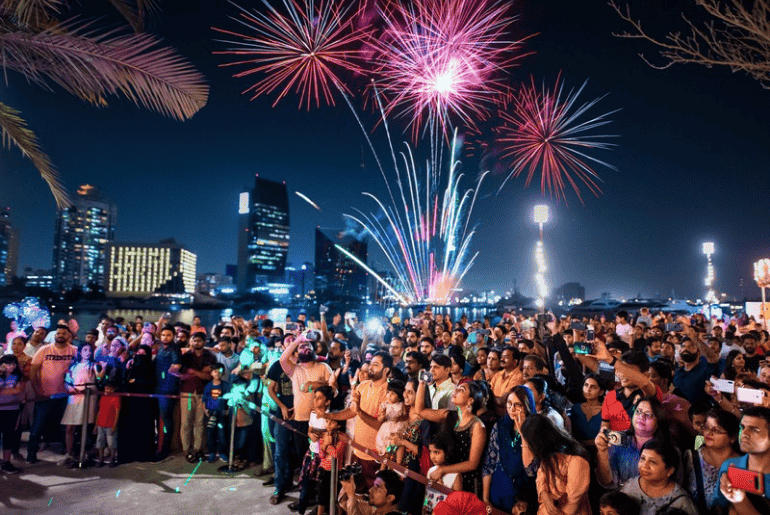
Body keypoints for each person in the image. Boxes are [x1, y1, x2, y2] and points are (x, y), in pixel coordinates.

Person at [416, 379, 487, 496]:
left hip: (465, 480)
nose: (455, 390)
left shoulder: (477, 426)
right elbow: (420, 411)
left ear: (470, 401)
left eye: (461, 390)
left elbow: (472, 463)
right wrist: (422, 383)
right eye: (457, 388)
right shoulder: (449, 416)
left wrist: (443, 470)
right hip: (445, 475)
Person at [520, 413, 592, 515]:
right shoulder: (548, 455)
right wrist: (545, 496)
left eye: (529, 444)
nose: (528, 448)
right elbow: (541, 479)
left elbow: (572, 505)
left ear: (539, 443)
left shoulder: (576, 460)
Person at [27, 324, 77, 464]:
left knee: (66, 426)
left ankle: (66, 451)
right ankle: (31, 454)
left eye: (64, 333)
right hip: (46, 396)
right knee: (37, 426)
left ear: (69, 336)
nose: (61, 335)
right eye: (58, 333)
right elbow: (33, 371)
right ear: (55, 335)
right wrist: (37, 390)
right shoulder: (44, 349)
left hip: (66, 396)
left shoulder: (74, 350)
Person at [482, 386, 537, 512]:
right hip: (499, 486)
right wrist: (485, 498)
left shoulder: (535, 430)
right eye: (509, 403)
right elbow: (489, 463)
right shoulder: (500, 426)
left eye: (518, 405)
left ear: (527, 406)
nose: (512, 409)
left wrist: (523, 432)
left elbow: (531, 470)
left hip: (524, 493)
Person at [596, 396, 671, 488]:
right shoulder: (617, 440)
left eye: (648, 414)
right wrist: (602, 452)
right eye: (638, 411)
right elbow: (607, 482)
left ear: (658, 420)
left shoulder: (667, 449)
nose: (641, 416)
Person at [715, 406, 770, 515]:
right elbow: (718, 505)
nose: (744, 434)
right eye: (742, 427)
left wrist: (739, 502)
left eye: (754, 430)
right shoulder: (729, 465)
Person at [620, 439, 698, 515]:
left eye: (653, 462)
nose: (644, 466)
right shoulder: (629, 487)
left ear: (670, 470)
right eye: (642, 459)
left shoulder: (681, 502)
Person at [683, 409, 740, 512]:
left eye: (716, 430)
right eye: (706, 427)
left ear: (732, 437)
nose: (709, 433)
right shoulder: (691, 458)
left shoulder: (742, 465)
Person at [172, 331, 216, 463]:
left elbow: (209, 376)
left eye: (199, 341)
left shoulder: (210, 356)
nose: (196, 343)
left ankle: (198, 450)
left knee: (200, 423)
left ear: (204, 342)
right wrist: (200, 372)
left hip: (203, 393)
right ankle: (187, 450)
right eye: (194, 340)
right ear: (190, 341)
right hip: (188, 393)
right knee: (186, 423)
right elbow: (183, 375)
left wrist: (192, 371)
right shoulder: (185, 356)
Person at [60, 341, 98, 465]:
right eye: (85, 350)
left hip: (87, 397)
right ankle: (69, 453)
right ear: (80, 352)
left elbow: (98, 380)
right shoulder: (73, 366)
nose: (88, 353)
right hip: (74, 397)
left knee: (85, 427)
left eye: (90, 350)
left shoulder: (93, 365)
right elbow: (67, 381)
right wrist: (69, 387)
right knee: (70, 427)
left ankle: (85, 452)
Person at [423, 432, 462, 514]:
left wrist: (442, 488)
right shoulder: (430, 471)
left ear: (447, 452)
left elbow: (458, 504)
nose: (432, 456)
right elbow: (427, 495)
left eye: (436, 452)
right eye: (431, 451)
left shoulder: (455, 475)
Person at [569, 373, 607, 447]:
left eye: (593, 387)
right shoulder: (575, 408)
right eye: (586, 385)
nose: (588, 390)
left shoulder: (606, 410)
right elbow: (570, 433)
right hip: (577, 450)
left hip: (600, 450)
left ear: (601, 392)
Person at [0, 354, 23, 473]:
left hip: (12, 409)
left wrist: (5, 391)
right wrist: (11, 391)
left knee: (9, 436)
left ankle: (6, 462)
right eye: (8, 364)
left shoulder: (17, 376)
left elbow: (19, 390)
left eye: (13, 364)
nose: (11, 367)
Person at [203, 362, 230, 463]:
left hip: (222, 413)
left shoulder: (226, 386)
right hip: (211, 413)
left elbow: (229, 399)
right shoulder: (208, 386)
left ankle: (222, 453)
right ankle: (212, 453)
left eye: (219, 372)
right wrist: (205, 409)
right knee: (210, 434)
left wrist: (228, 409)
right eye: (215, 371)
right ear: (211, 373)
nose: (217, 374)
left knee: (222, 434)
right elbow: (204, 399)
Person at [375, 379, 407, 458]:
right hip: (386, 427)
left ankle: (395, 465)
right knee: (385, 445)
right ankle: (384, 465)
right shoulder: (385, 405)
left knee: (395, 446)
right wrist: (382, 417)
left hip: (397, 427)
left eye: (392, 394)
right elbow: (379, 418)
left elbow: (405, 416)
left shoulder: (401, 405)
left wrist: (400, 418)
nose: (389, 395)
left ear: (399, 397)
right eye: (388, 392)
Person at [94, 379, 121, 467]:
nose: (108, 390)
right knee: (100, 443)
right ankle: (101, 459)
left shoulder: (116, 398)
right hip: (101, 424)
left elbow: (117, 412)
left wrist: (114, 425)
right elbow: (99, 411)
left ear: (114, 389)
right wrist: (96, 425)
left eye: (110, 388)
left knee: (111, 443)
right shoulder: (103, 397)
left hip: (110, 425)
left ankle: (112, 459)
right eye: (106, 388)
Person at [489, 346, 523, 412]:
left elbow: (504, 400)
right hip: (494, 411)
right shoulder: (498, 374)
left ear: (515, 361)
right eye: (502, 356)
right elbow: (488, 392)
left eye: (506, 357)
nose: (502, 359)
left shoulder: (518, 376)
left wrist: (491, 398)